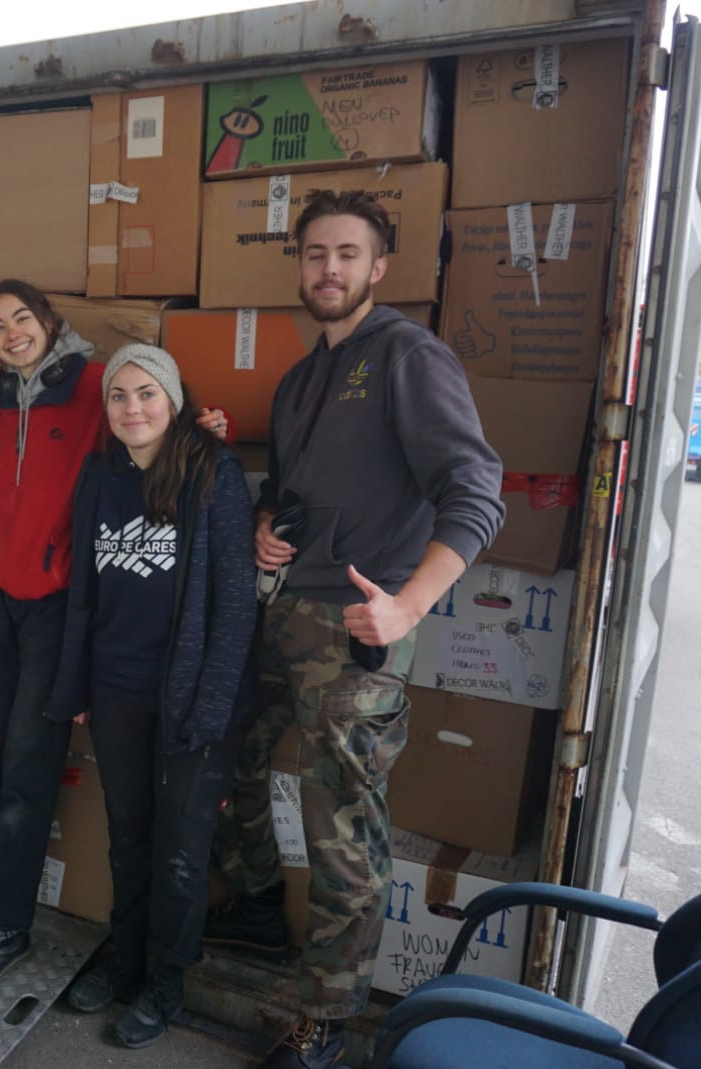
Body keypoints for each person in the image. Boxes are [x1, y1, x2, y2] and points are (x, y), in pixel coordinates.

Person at [204, 190, 505, 1069]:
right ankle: (258, 909)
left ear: (379, 266)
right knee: (234, 755)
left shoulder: (410, 358)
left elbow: (475, 491)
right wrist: (266, 522)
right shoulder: (302, 378)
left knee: (343, 822)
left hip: (357, 628)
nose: (327, 269)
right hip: (283, 615)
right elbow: (295, 491)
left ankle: (325, 1019)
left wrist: (410, 604)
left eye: (347, 254)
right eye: (313, 254)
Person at [0, 281, 230, 991]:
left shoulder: (99, 383)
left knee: (29, 767)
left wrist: (203, 426)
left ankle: (9, 925)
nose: (10, 333)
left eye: (22, 319)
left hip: (55, 604)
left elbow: (156, 412)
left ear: (48, 321)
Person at [46, 344, 257, 1048]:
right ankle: (125, 957)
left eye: (147, 394)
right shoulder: (99, 475)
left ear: (172, 398)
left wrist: (212, 704)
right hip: (115, 690)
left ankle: (167, 980)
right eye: (118, 396)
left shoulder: (213, 473)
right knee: (129, 835)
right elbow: (84, 590)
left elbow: (234, 603)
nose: (132, 408)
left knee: (178, 849)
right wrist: (75, 681)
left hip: (192, 696)